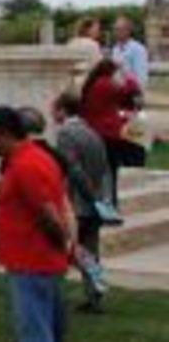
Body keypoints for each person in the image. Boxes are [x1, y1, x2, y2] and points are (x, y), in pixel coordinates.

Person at [0, 106, 72, 342]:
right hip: (35, 260)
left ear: (3, 134)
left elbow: (49, 213)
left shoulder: (26, 165)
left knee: (34, 331)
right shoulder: (27, 159)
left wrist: (63, 245)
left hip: (32, 261)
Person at [51, 92, 111, 313]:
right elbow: (103, 167)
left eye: (55, 108)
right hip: (95, 201)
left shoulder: (67, 133)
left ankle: (53, 295)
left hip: (79, 202)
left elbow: (71, 168)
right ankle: (95, 294)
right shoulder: (91, 131)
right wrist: (100, 198)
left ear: (62, 110)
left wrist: (88, 195)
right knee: (89, 252)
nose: (52, 113)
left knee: (64, 249)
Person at [80, 58, 145, 206]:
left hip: (96, 130)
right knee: (112, 167)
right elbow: (128, 93)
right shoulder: (106, 84)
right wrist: (129, 77)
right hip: (107, 132)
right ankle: (111, 201)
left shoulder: (94, 83)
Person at [111, 16, 149, 89]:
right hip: (117, 91)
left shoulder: (138, 49)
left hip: (132, 91)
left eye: (119, 29)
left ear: (128, 31)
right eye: (115, 29)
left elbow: (141, 76)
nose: (116, 32)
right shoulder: (115, 49)